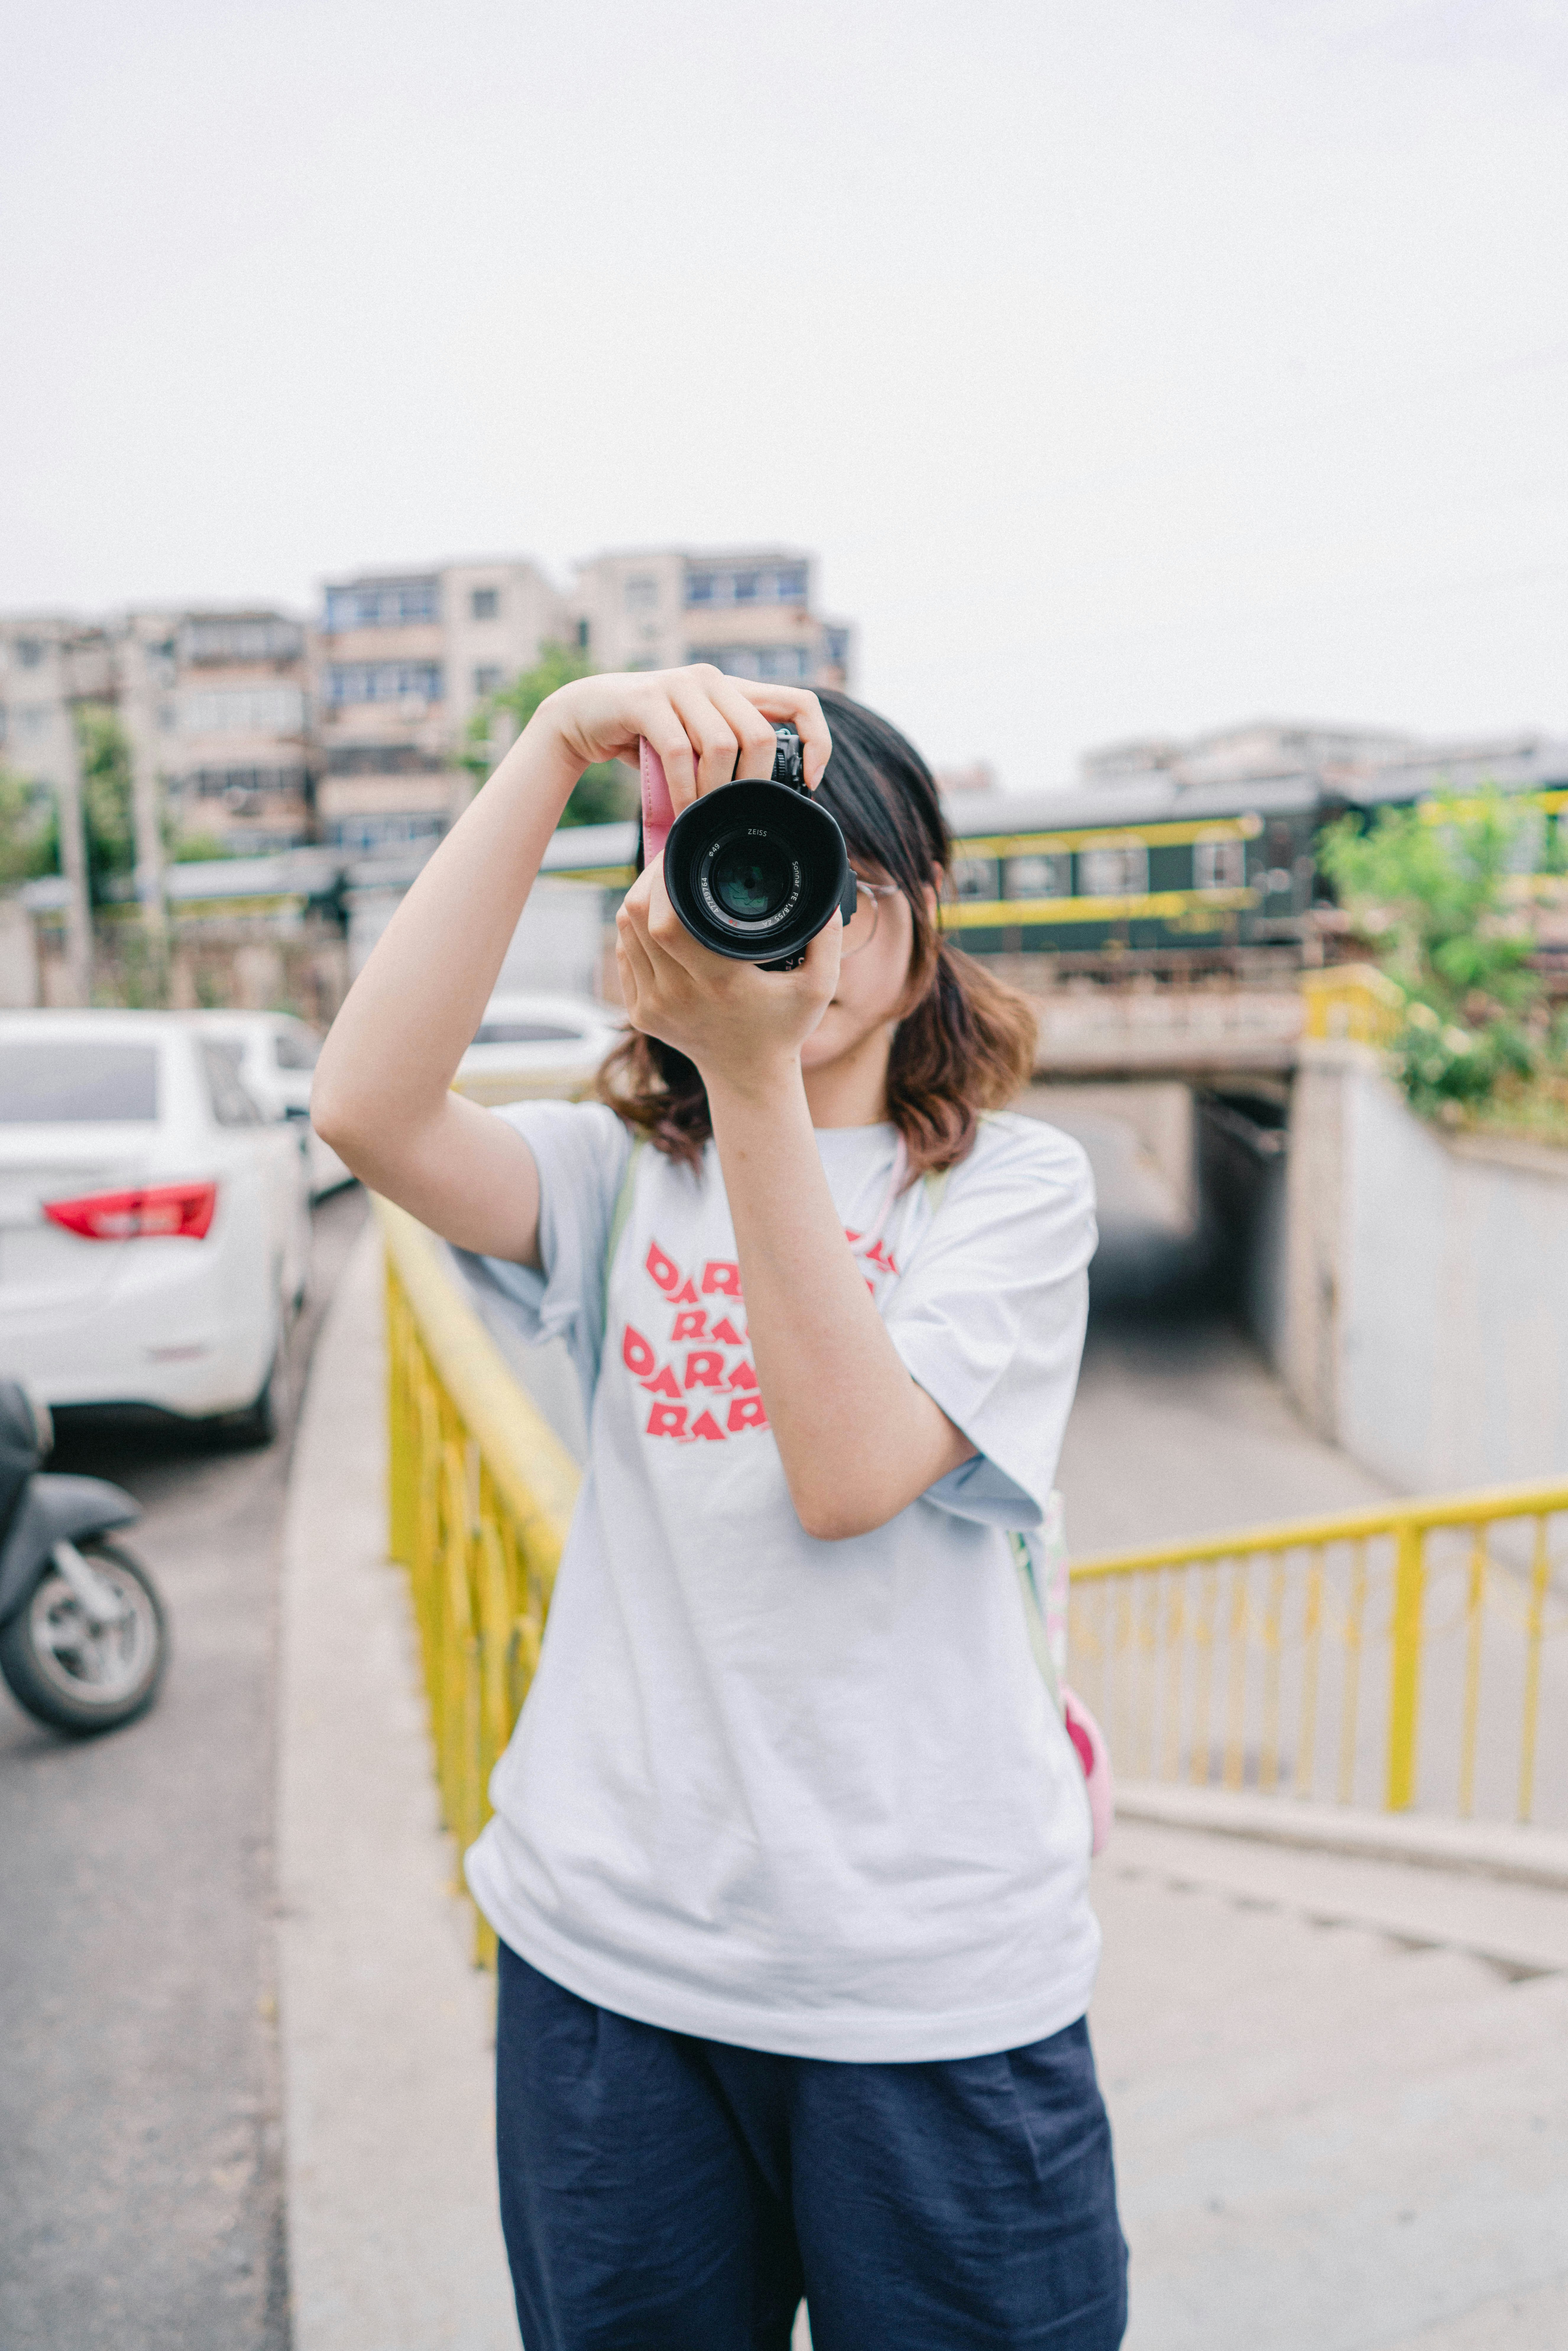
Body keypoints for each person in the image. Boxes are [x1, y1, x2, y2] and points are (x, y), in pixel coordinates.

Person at [313, 666, 1128, 2351]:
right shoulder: (620, 1179)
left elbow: (845, 1479)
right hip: (610, 1958)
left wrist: (746, 1075)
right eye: (761, 876)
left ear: (923, 916)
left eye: (851, 885)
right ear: (671, 908)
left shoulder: (1009, 1192)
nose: (802, 936)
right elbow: (367, 1111)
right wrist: (550, 745)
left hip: (930, 1985)